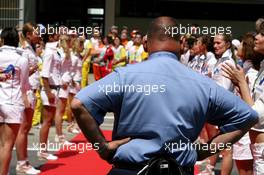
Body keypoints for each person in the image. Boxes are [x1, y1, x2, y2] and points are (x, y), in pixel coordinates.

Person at [71, 17, 259, 175]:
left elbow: (79, 104)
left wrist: (102, 148)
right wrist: (204, 151)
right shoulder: (202, 84)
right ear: (183, 43)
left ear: (145, 44)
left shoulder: (125, 76)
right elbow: (248, 117)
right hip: (179, 169)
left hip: (130, 169)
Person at [221, 18, 264, 175]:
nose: (257, 38)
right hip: (256, 147)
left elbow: (257, 116)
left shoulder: (252, 73)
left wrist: (242, 84)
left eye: (262, 34)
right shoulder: (260, 70)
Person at [0, 27, 29, 175]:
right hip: (13, 103)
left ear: (2, 40)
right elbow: (24, 85)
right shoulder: (21, 59)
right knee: (7, 145)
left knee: (2, 144)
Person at [15, 22, 41, 175]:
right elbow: (21, 75)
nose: (38, 35)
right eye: (36, 32)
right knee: (23, 129)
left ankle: (24, 161)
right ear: (29, 35)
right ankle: (22, 163)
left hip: (32, 91)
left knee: (25, 128)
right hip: (27, 92)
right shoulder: (25, 50)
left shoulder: (30, 48)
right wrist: (32, 69)